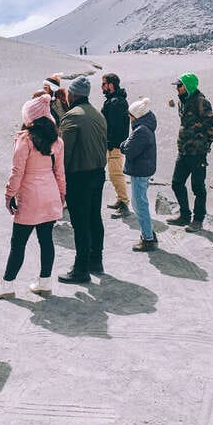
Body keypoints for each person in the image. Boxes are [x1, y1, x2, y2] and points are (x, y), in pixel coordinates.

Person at [0, 95, 66, 299]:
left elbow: (17, 172)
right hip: (50, 194)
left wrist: (9, 195)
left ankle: (7, 284)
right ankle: (44, 282)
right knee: (46, 241)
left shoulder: (25, 140)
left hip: (30, 196)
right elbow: (60, 172)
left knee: (18, 243)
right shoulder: (57, 141)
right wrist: (61, 194)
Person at [57, 76, 108, 283]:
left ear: (73, 94)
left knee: (80, 223)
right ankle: (96, 260)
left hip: (79, 176)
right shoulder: (97, 114)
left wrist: (59, 178)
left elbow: (65, 152)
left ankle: (81, 269)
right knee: (95, 218)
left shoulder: (72, 116)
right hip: (98, 173)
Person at [166, 73, 213, 232]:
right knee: (177, 183)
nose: (177, 89)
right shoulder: (182, 101)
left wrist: (203, 146)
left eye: (180, 86)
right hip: (183, 151)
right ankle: (185, 215)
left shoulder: (202, 102)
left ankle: (198, 219)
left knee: (198, 187)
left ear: (188, 86)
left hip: (197, 153)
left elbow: (212, 128)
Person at [120, 98, 157, 251]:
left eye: (130, 116)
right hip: (144, 169)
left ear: (136, 116)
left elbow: (128, 149)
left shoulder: (141, 130)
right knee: (140, 203)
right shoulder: (145, 127)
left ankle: (148, 238)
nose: (129, 118)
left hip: (140, 171)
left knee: (139, 204)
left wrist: (124, 145)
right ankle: (149, 233)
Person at [101, 73, 131, 218]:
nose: (102, 87)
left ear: (111, 85)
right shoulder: (114, 100)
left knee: (115, 174)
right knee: (114, 174)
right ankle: (120, 199)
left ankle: (124, 203)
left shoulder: (116, 102)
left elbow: (116, 126)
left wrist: (111, 143)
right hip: (114, 144)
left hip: (114, 145)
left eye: (104, 84)